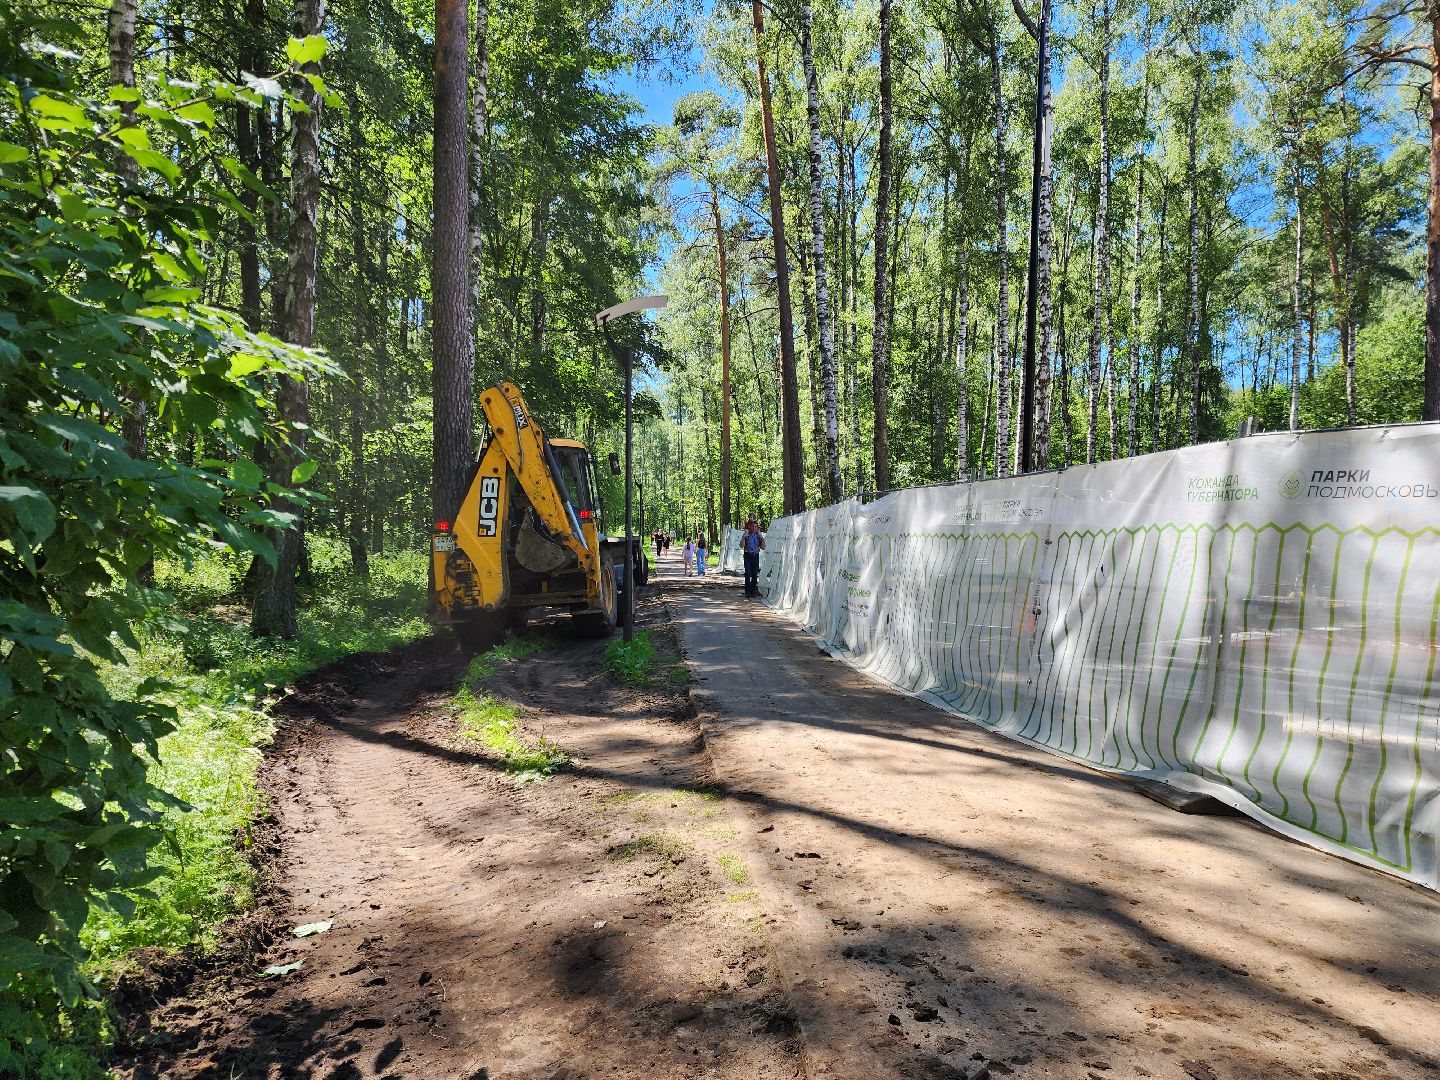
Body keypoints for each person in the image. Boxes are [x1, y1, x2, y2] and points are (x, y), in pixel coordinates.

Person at [741, 517, 764, 597]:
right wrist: (744, 537)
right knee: (747, 573)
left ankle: (753, 591)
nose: (754, 528)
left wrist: (762, 538)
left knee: (755, 574)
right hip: (748, 555)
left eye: (755, 527)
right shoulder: (747, 535)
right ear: (750, 527)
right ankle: (747, 591)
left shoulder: (758, 536)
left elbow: (763, 547)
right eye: (753, 526)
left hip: (755, 555)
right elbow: (741, 546)